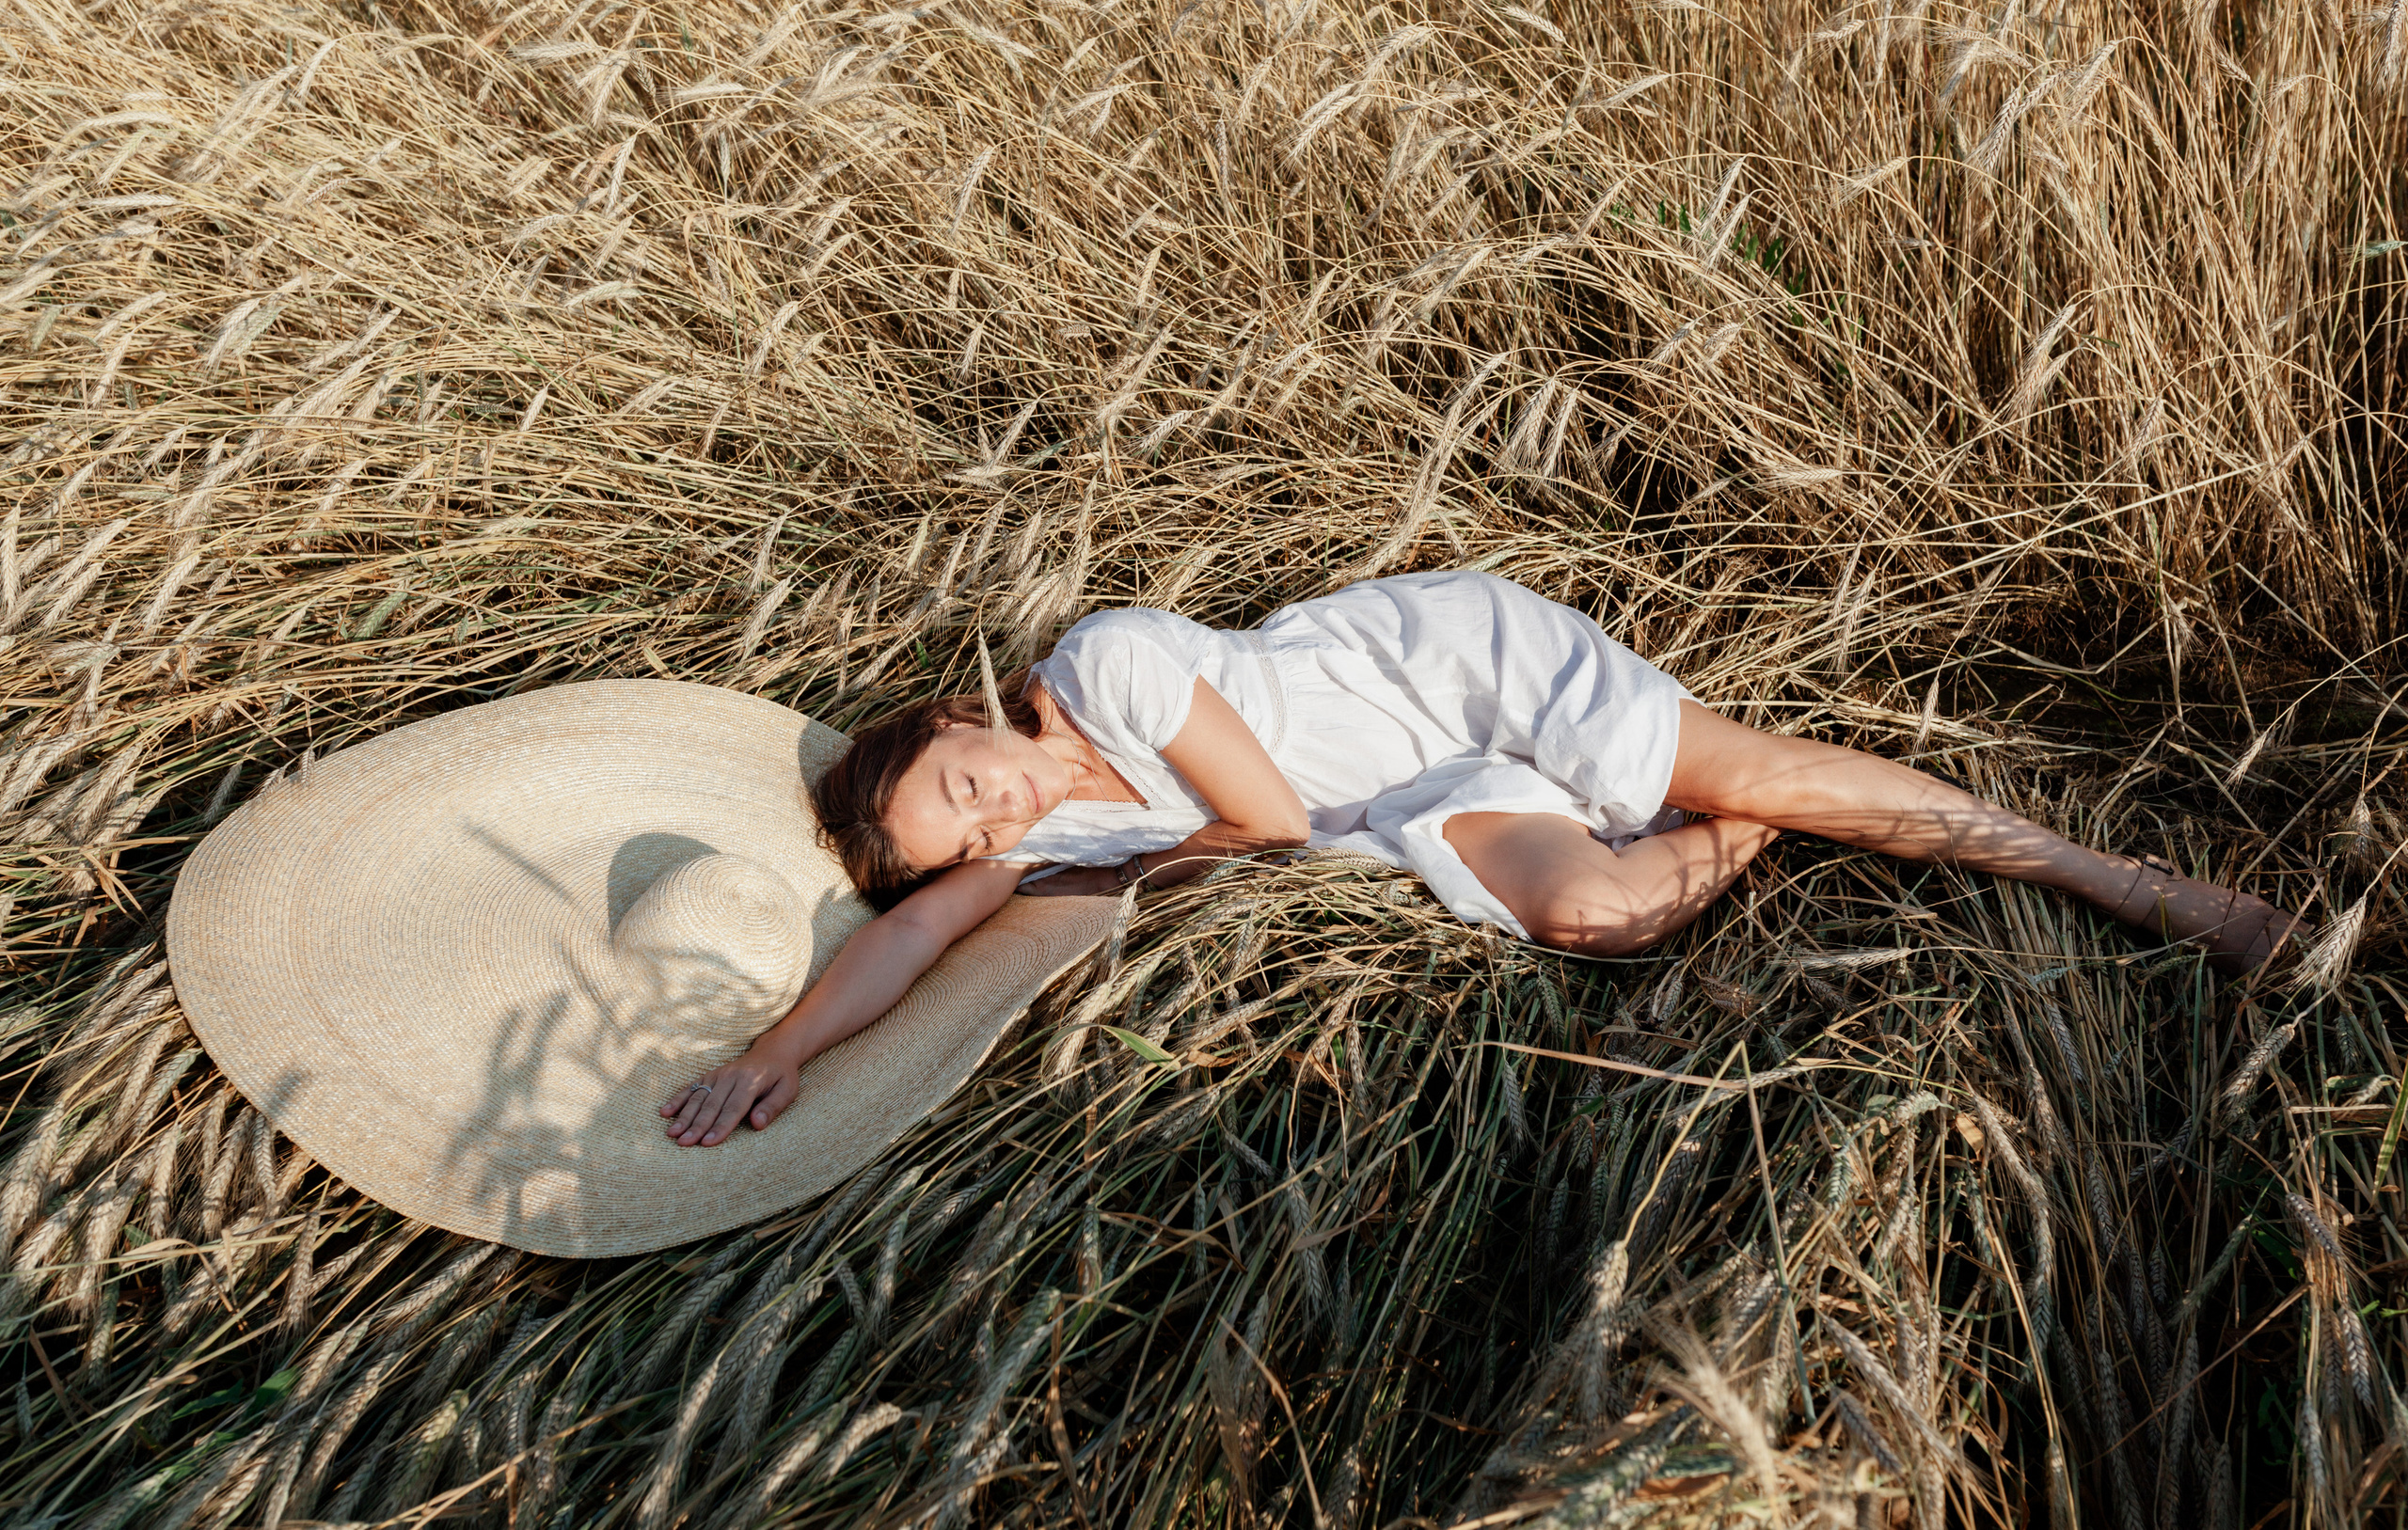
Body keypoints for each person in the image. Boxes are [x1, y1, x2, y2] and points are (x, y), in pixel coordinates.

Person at [662, 569, 2293, 1146]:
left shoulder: (1105, 666)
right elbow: (914, 937)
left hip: (1449, 675)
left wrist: (1163, 870)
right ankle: (1742, 831)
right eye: (973, 837)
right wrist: (775, 1051)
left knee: (1772, 769)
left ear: (971, 717)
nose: (1001, 828)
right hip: (1416, 801)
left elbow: (1280, 823)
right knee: (1600, 909)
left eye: (972, 789)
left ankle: (2130, 885)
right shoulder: (1057, 827)